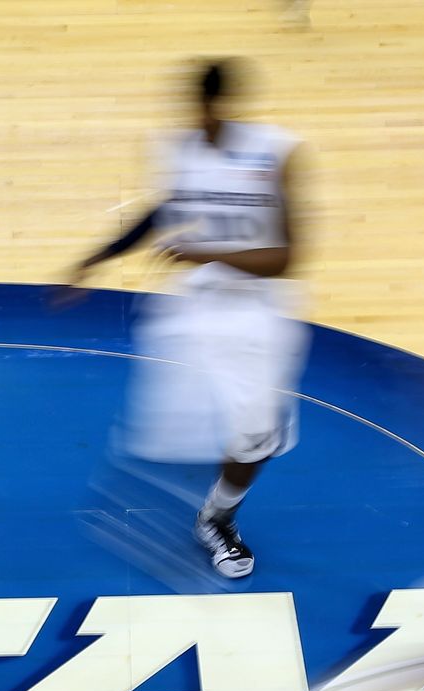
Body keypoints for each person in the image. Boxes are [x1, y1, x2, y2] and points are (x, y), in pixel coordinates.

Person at [67, 58, 308, 581]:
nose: (202, 116)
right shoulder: (181, 149)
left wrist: (206, 253)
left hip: (261, 309)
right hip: (199, 305)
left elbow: (286, 258)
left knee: (256, 437)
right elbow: (165, 210)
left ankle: (216, 517)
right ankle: (140, 490)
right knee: (170, 424)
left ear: (224, 105)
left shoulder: (277, 153)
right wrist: (97, 257)